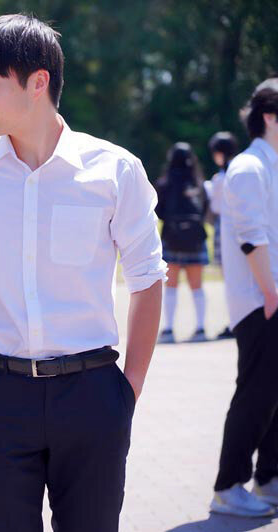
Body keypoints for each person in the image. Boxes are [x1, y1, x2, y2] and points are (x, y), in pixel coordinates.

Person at [0, 14, 165, 532]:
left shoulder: (114, 170)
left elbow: (148, 279)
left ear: (38, 82)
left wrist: (128, 390)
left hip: (94, 395)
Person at [211, 77, 278, 517]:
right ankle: (228, 486)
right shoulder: (249, 167)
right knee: (256, 394)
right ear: (270, 117)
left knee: (272, 394)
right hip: (261, 301)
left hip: (269, 297)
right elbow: (251, 238)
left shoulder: (268, 165)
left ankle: (269, 478)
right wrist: (271, 294)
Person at [155, 143, 210, 343]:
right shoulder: (199, 183)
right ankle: (201, 329)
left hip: (172, 237)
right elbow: (205, 209)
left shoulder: (164, 183)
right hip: (195, 239)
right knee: (197, 286)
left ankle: (169, 330)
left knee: (171, 286)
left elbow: (158, 211)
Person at [206, 131, 240, 339]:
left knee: (230, 279)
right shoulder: (243, 171)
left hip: (225, 228)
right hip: (245, 228)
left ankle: (234, 321)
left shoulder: (219, 179)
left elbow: (215, 207)